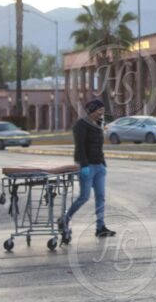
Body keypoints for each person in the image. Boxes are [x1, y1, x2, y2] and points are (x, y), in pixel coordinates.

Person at [63, 99, 116, 237]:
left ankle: (100, 228)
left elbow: (98, 145)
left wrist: (103, 163)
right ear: (92, 110)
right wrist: (84, 165)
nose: (101, 114)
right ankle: (65, 219)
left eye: (103, 111)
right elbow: (79, 146)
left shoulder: (99, 124)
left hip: (99, 165)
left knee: (101, 197)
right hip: (87, 166)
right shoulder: (80, 125)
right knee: (84, 197)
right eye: (99, 111)